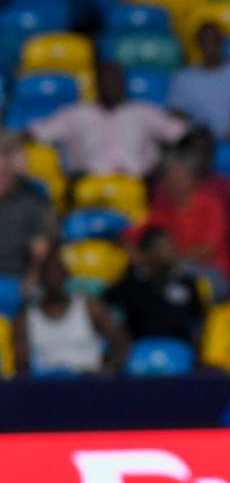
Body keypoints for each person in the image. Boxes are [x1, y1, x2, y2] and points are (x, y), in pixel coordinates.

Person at [27, 62, 189, 177]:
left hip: (139, 185)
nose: (112, 85)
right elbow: (38, 133)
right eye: (107, 80)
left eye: (117, 80)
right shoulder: (76, 113)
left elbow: (181, 134)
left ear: (124, 83)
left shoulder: (143, 111)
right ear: (97, 84)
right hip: (88, 186)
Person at [13, 247, 128, 376]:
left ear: (67, 275)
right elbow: (21, 366)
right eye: (48, 273)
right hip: (46, 388)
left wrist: (108, 372)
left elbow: (121, 344)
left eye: (57, 272)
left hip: (88, 384)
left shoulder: (91, 308)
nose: (53, 277)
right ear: (40, 278)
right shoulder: (25, 318)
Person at [147, 151, 230, 293]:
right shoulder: (161, 209)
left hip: (210, 271)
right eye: (169, 179)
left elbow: (208, 249)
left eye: (178, 178)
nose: (173, 184)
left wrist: (170, 257)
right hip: (172, 269)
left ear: (191, 179)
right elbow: (141, 237)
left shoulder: (212, 206)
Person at [104, 226, 204, 344]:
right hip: (138, 352)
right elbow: (104, 304)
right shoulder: (131, 284)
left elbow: (199, 319)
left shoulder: (187, 283)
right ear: (147, 252)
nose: (171, 251)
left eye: (171, 245)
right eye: (162, 247)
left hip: (179, 351)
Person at [168, 22, 230, 141]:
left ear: (222, 42)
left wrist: (229, 139)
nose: (210, 44)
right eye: (205, 40)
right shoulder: (183, 78)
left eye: (214, 40)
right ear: (198, 44)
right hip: (195, 144)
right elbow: (177, 116)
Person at [0, 133, 54, 284]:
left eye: (5, 174)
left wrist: (31, 278)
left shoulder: (31, 204)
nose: (1, 179)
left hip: (13, 280)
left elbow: (40, 249)